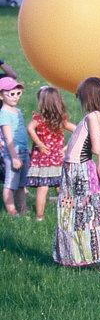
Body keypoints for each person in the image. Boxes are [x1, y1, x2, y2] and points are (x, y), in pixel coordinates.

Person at [53, 77, 100, 273]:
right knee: (91, 213)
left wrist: (99, 167)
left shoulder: (93, 116)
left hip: (78, 172)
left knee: (83, 214)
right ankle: (95, 257)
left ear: (88, 97)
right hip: (79, 170)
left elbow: (99, 147)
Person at [26, 85, 75, 221]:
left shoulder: (39, 120)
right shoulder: (61, 121)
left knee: (43, 188)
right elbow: (77, 131)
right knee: (62, 188)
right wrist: (65, 149)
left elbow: (29, 128)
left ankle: (39, 217)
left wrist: (39, 144)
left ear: (42, 103)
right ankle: (69, 212)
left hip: (43, 161)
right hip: (57, 160)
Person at [1, 76, 30, 216]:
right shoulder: (4, 113)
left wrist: (26, 148)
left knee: (21, 184)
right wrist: (13, 157)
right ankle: (11, 211)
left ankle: (23, 208)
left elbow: (21, 131)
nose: (15, 97)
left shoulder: (17, 111)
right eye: (11, 94)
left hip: (23, 151)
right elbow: (8, 137)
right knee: (10, 184)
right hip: (13, 153)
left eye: (18, 93)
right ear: (1, 96)